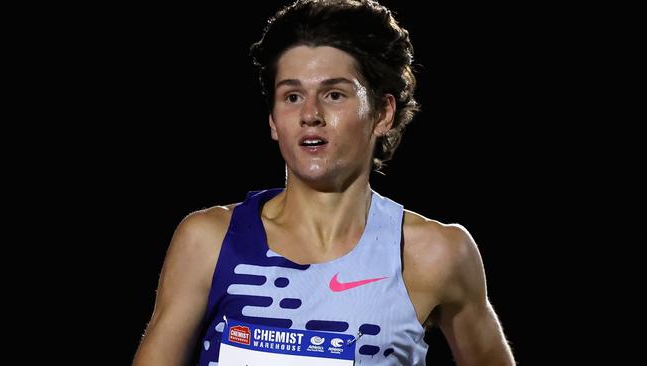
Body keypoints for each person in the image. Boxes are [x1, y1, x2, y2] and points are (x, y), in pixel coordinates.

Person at [132, 0, 515, 365]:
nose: (310, 114)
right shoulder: (208, 240)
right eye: (292, 96)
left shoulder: (434, 254)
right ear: (272, 119)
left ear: (382, 112)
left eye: (334, 94)